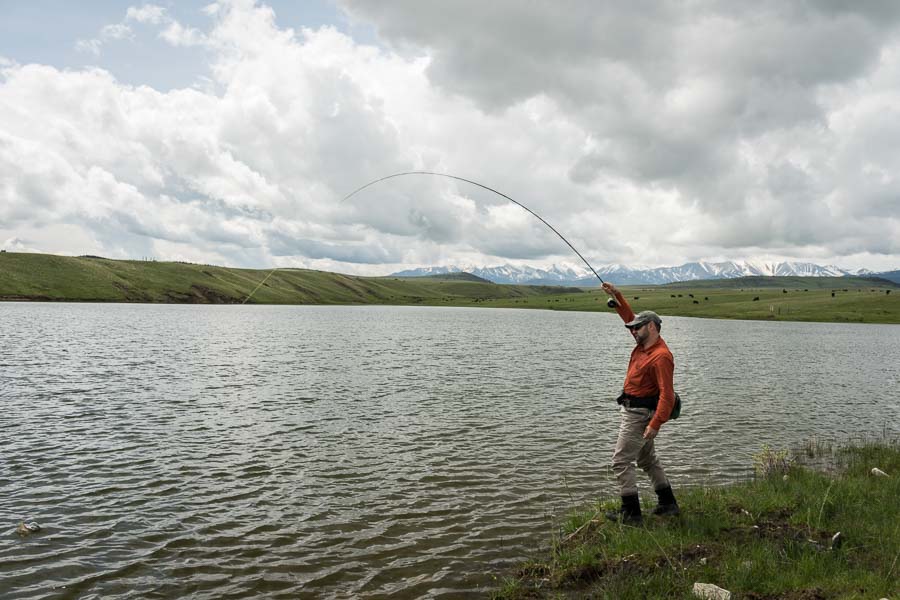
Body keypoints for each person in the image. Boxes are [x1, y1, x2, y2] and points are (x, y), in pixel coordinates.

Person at [601, 281, 679, 524]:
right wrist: (617, 295)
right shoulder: (643, 342)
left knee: (621, 461)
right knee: (647, 460)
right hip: (635, 410)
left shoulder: (661, 356)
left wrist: (655, 424)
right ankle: (668, 504)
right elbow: (628, 316)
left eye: (638, 327)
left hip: (640, 415)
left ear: (652, 327)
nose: (633, 331)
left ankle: (631, 513)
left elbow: (667, 394)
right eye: (633, 328)